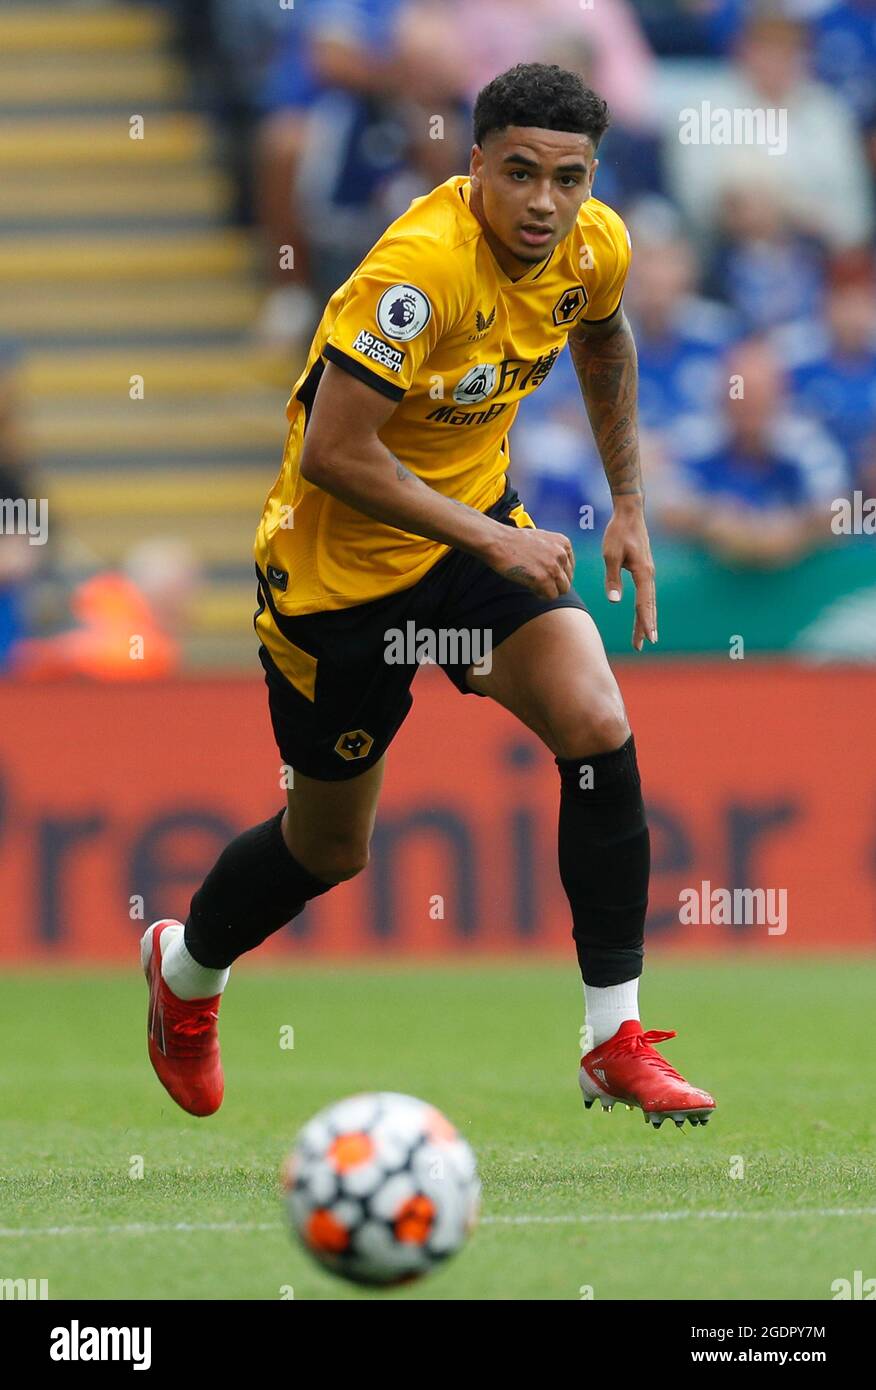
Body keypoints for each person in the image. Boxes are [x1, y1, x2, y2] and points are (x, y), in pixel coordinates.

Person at [142, 63, 715, 1131]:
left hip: (468, 542)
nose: (545, 201)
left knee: (596, 718)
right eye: (521, 173)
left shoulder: (594, 247)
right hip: (338, 585)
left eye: (569, 177)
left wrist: (626, 499)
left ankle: (613, 1038)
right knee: (328, 849)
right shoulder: (417, 275)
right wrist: (496, 539)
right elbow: (335, 453)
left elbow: (602, 334)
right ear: (476, 166)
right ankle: (186, 970)